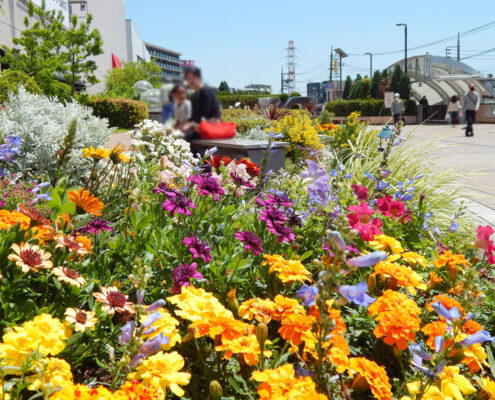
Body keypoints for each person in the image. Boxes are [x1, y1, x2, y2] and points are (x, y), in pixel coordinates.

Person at [181, 66, 221, 150]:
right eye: (188, 79)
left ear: (198, 78)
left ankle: (195, 160)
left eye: (191, 78)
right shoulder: (195, 95)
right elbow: (193, 116)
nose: (189, 81)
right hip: (199, 127)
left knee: (183, 138)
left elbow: (205, 115)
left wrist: (190, 124)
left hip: (209, 127)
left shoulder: (206, 92)